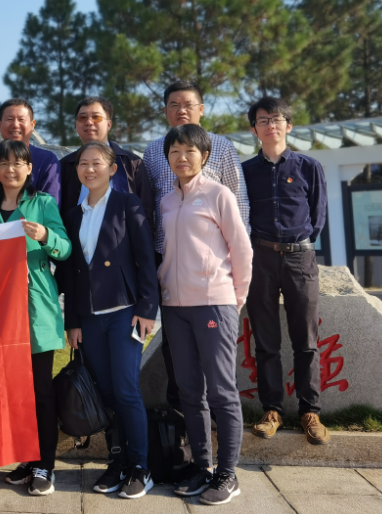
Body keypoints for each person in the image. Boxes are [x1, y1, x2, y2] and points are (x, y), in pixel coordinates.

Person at [57, 141, 158, 499]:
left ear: (112, 169)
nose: (89, 169)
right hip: (89, 317)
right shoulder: (73, 214)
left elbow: (146, 260)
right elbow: (70, 273)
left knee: (127, 390)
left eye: (97, 163)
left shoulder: (127, 204)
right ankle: (117, 461)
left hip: (125, 312)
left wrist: (147, 308)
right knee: (105, 392)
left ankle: (140, 467)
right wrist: (72, 321)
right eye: (82, 163)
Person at [158, 124, 252, 506]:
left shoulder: (218, 194)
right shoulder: (167, 201)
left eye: (189, 151)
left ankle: (228, 473)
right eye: (175, 151)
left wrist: (234, 299)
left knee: (221, 391)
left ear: (205, 156)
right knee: (189, 391)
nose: (182, 157)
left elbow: (241, 250)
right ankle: (202, 466)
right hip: (175, 308)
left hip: (214, 303)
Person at [143, 80, 249, 410]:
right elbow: (150, 204)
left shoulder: (221, 146)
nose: (181, 110)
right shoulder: (154, 151)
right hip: (167, 258)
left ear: (201, 109)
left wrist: (236, 269)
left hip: (211, 264)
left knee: (214, 350)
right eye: (174, 105)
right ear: (165, 111)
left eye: (188, 104)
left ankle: (219, 414)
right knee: (176, 345)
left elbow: (240, 202)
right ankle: (184, 418)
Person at [0, 140, 71, 497]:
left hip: (35, 307)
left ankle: (46, 464)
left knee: (40, 391)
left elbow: (65, 249)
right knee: (12, 392)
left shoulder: (43, 204)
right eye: (4, 163)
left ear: (29, 168)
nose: (11, 169)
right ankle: (27, 459)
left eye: (18, 163)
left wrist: (46, 235)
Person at [242, 97, 329, 445]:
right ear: (254, 130)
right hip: (259, 259)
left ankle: (311, 412)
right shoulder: (246, 171)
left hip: (299, 259)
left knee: (306, 340)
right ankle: (272, 411)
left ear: (288, 126)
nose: (270, 125)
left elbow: (317, 217)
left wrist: (299, 245)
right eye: (263, 120)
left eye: (276, 119)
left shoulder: (309, 166)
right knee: (266, 342)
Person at [59, 96, 154, 226]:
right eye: (82, 118)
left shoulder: (131, 163)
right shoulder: (64, 166)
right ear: (76, 125)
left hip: (123, 236)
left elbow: (145, 211)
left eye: (96, 117)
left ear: (109, 124)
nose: (89, 122)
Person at [0, 98, 61, 204]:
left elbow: (51, 205)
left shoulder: (47, 161)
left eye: (21, 119)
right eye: (9, 119)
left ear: (32, 125)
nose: (15, 125)